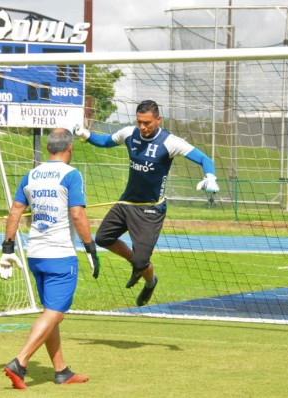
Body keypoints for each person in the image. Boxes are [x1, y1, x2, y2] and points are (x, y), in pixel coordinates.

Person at [73, 99, 219, 307]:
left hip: (151, 210)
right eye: (140, 122)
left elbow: (204, 158)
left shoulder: (170, 142)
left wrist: (210, 177)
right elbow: (106, 141)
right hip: (126, 204)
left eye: (147, 123)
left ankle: (150, 282)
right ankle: (138, 265)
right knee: (103, 238)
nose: (143, 127)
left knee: (142, 263)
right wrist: (85, 135)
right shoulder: (129, 134)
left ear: (158, 120)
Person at [0, 128, 100, 390]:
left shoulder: (31, 174)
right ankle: (20, 362)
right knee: (55, 313)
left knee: (51, 314)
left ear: (48, 149)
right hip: (60, 254)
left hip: (36, 254)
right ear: (70, 149)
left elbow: (16, 210)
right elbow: (77, 214)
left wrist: (8, 248)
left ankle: (61, 371)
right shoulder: (71, 175)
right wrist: (90, 247)